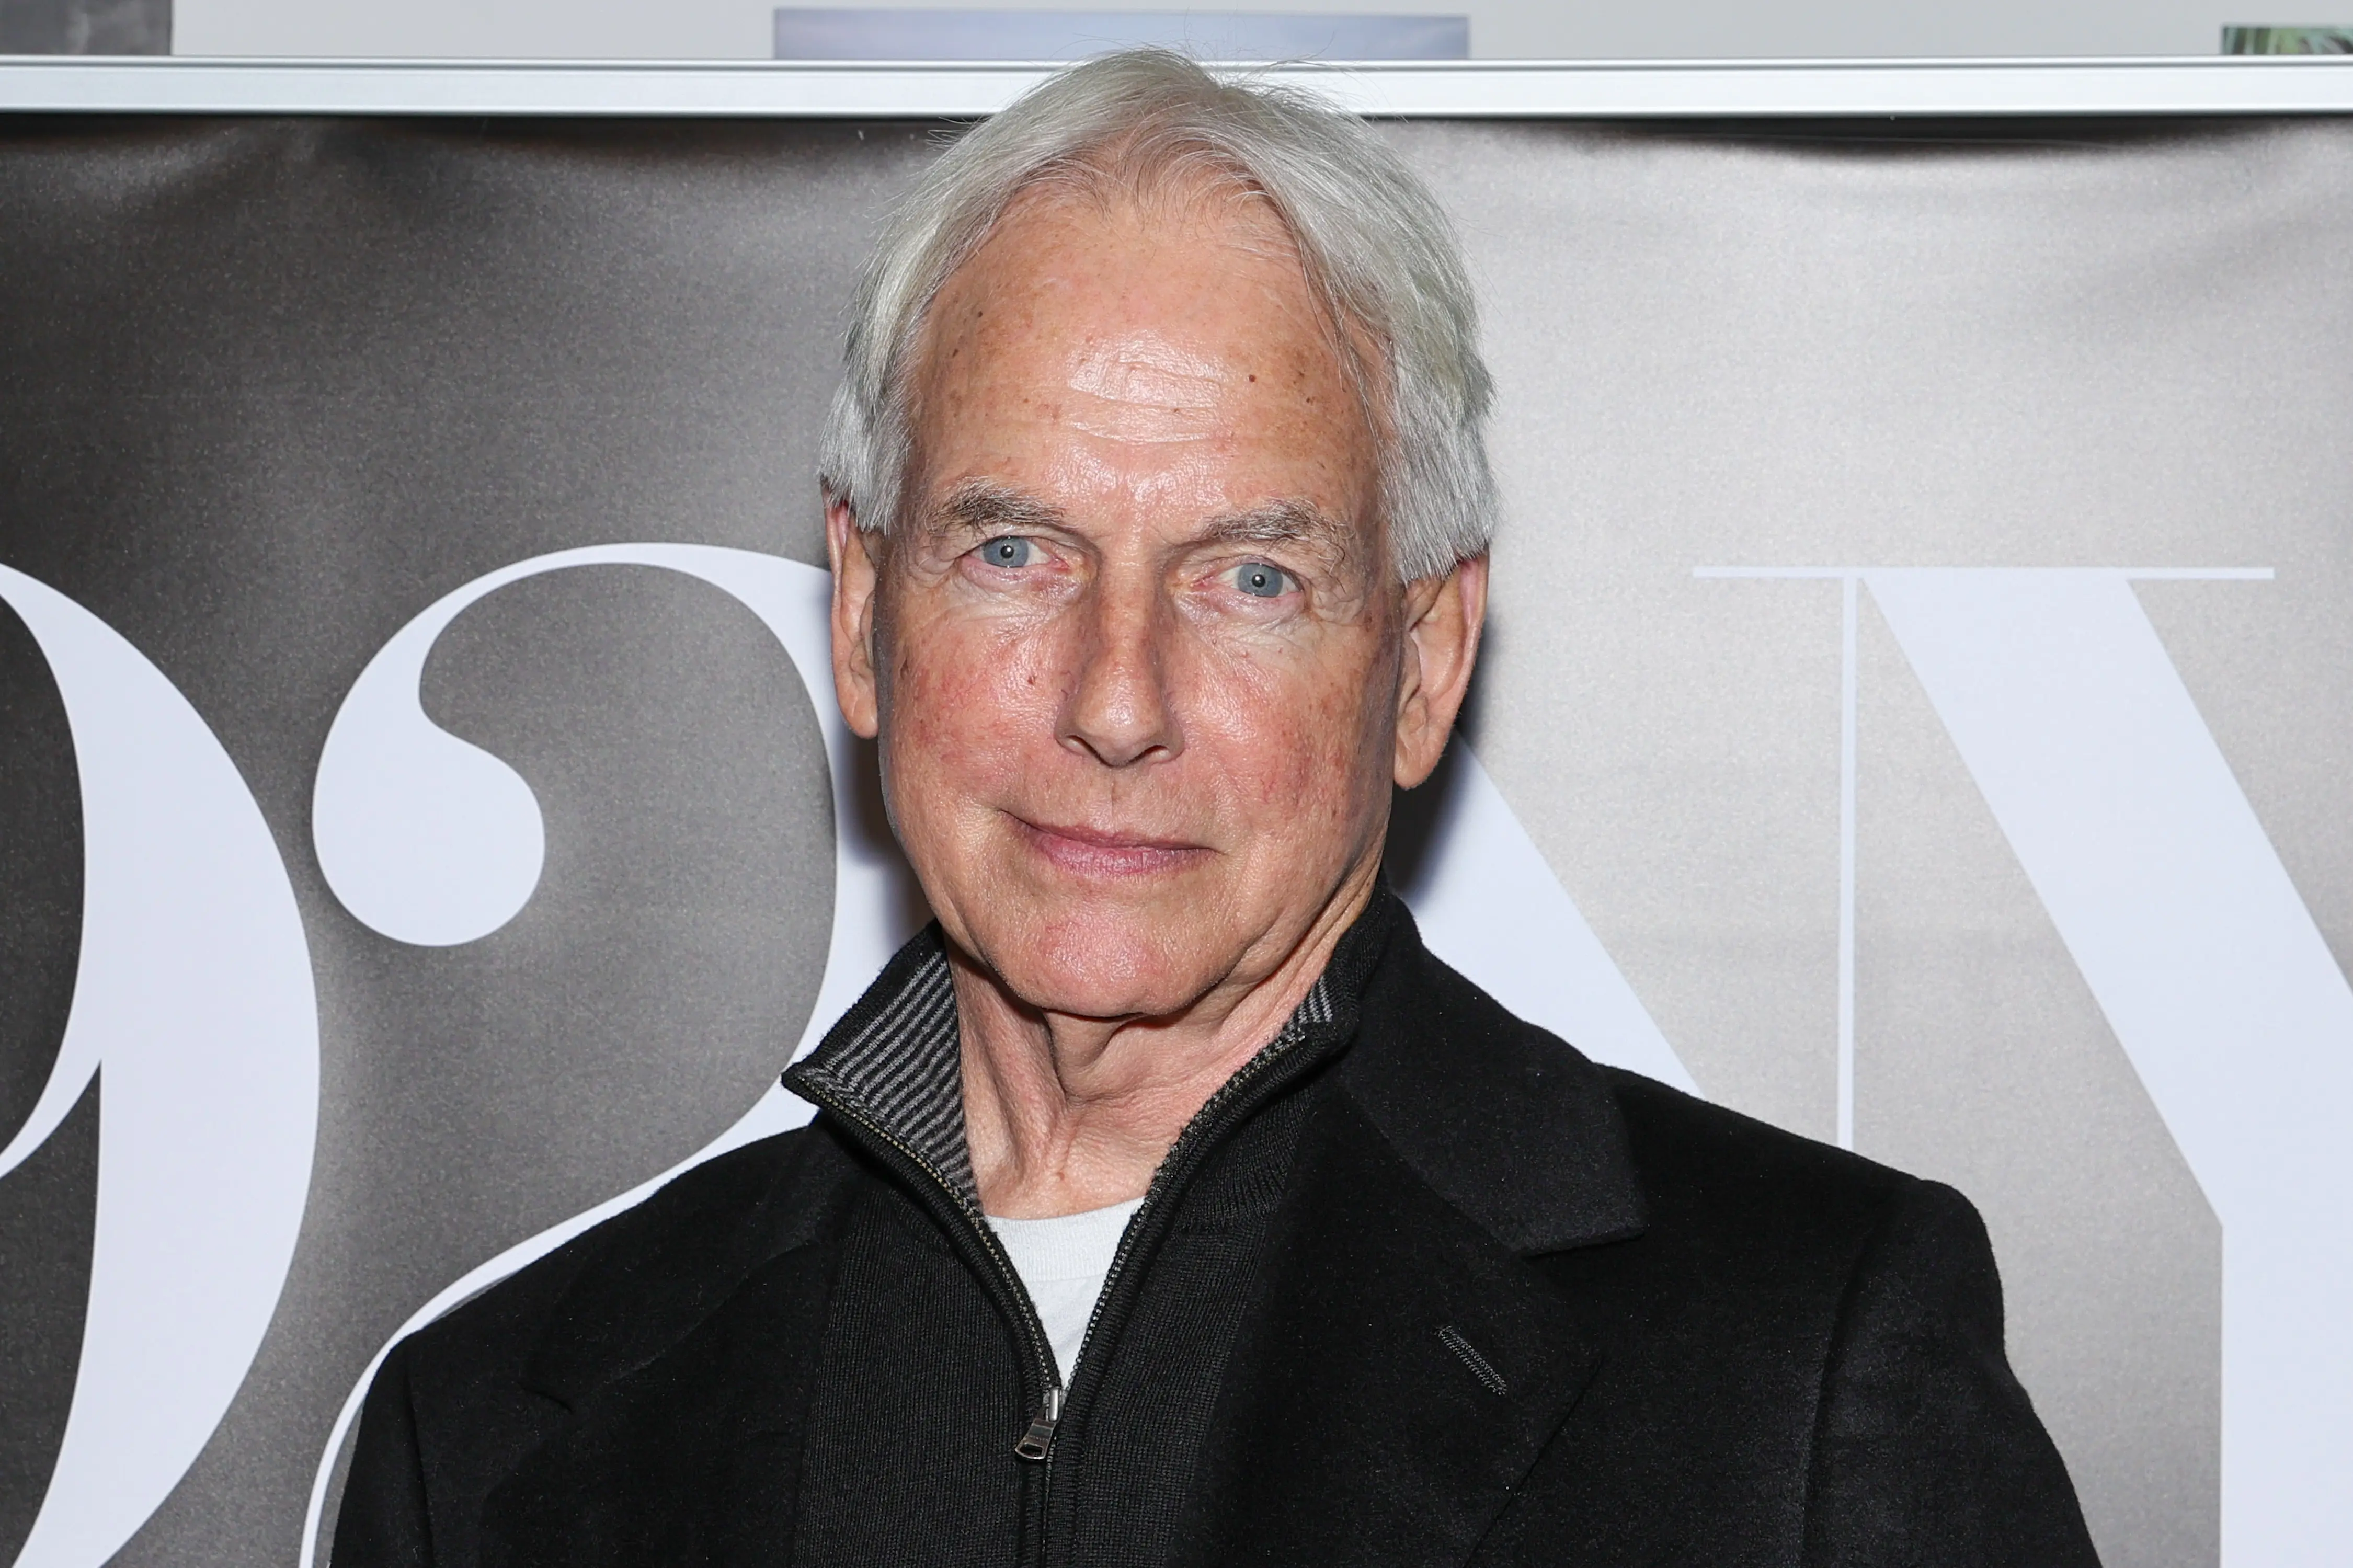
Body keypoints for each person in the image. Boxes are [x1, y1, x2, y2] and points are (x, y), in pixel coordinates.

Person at [334, 49, 2099, 1567]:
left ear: (1418, 659)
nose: (1116, 700)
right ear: (864, 613)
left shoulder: (1797, 1361)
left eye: (1249, 576)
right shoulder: (498, 1438)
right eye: (1014, 550)